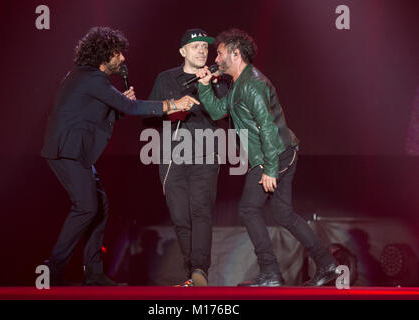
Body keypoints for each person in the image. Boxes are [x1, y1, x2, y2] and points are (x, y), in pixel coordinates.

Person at [41, 26, 198, 286]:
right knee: (86, 206)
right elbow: (131, 107)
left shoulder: (87, 78)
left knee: (100, 206)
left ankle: (92, 272)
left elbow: (97, 113)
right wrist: (173, 104)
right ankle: (53, 266)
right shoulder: (90, 78)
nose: (123, 58)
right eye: (118, 53)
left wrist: (120, 105)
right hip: (66, 151)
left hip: (76, 151)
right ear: (105, 55)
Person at [196, 28, 338, 287]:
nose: (215, 59)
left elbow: (268, 127)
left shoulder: (252, 84)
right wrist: (205, 87)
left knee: (249, 209)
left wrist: (270, 169)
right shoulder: (238, 84)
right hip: (280, 151)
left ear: (236, 54)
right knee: (283, 213)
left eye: (220, 53)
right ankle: (327, 264)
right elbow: (218, 112)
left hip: (274, 154)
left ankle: (271, 272)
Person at [148, 28, 229, 286]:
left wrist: (209, 87)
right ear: (183, 51)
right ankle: (191, 274)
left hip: (206, 151)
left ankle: (200, 271)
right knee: (181, 216)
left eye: (205, 47)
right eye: (196, 47)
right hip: (173, 154)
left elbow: (223, 115)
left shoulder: (218, 79)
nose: (202, 51)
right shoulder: (166, 78)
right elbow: (147, 116)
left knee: (200, 210)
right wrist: (173, 109)